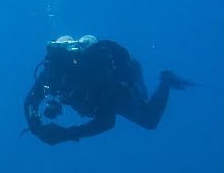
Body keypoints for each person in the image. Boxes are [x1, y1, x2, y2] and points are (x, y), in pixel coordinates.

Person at [22, 35, 194, 146]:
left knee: (150, 120)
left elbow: (107, 121)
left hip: (120, 90)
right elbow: (31, 100)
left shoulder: (92, 75)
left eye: (61, 78)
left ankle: (165, 80)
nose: (56, 84)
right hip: (95, 101)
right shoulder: (50, 74)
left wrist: (68, 134)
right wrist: (37, 128)